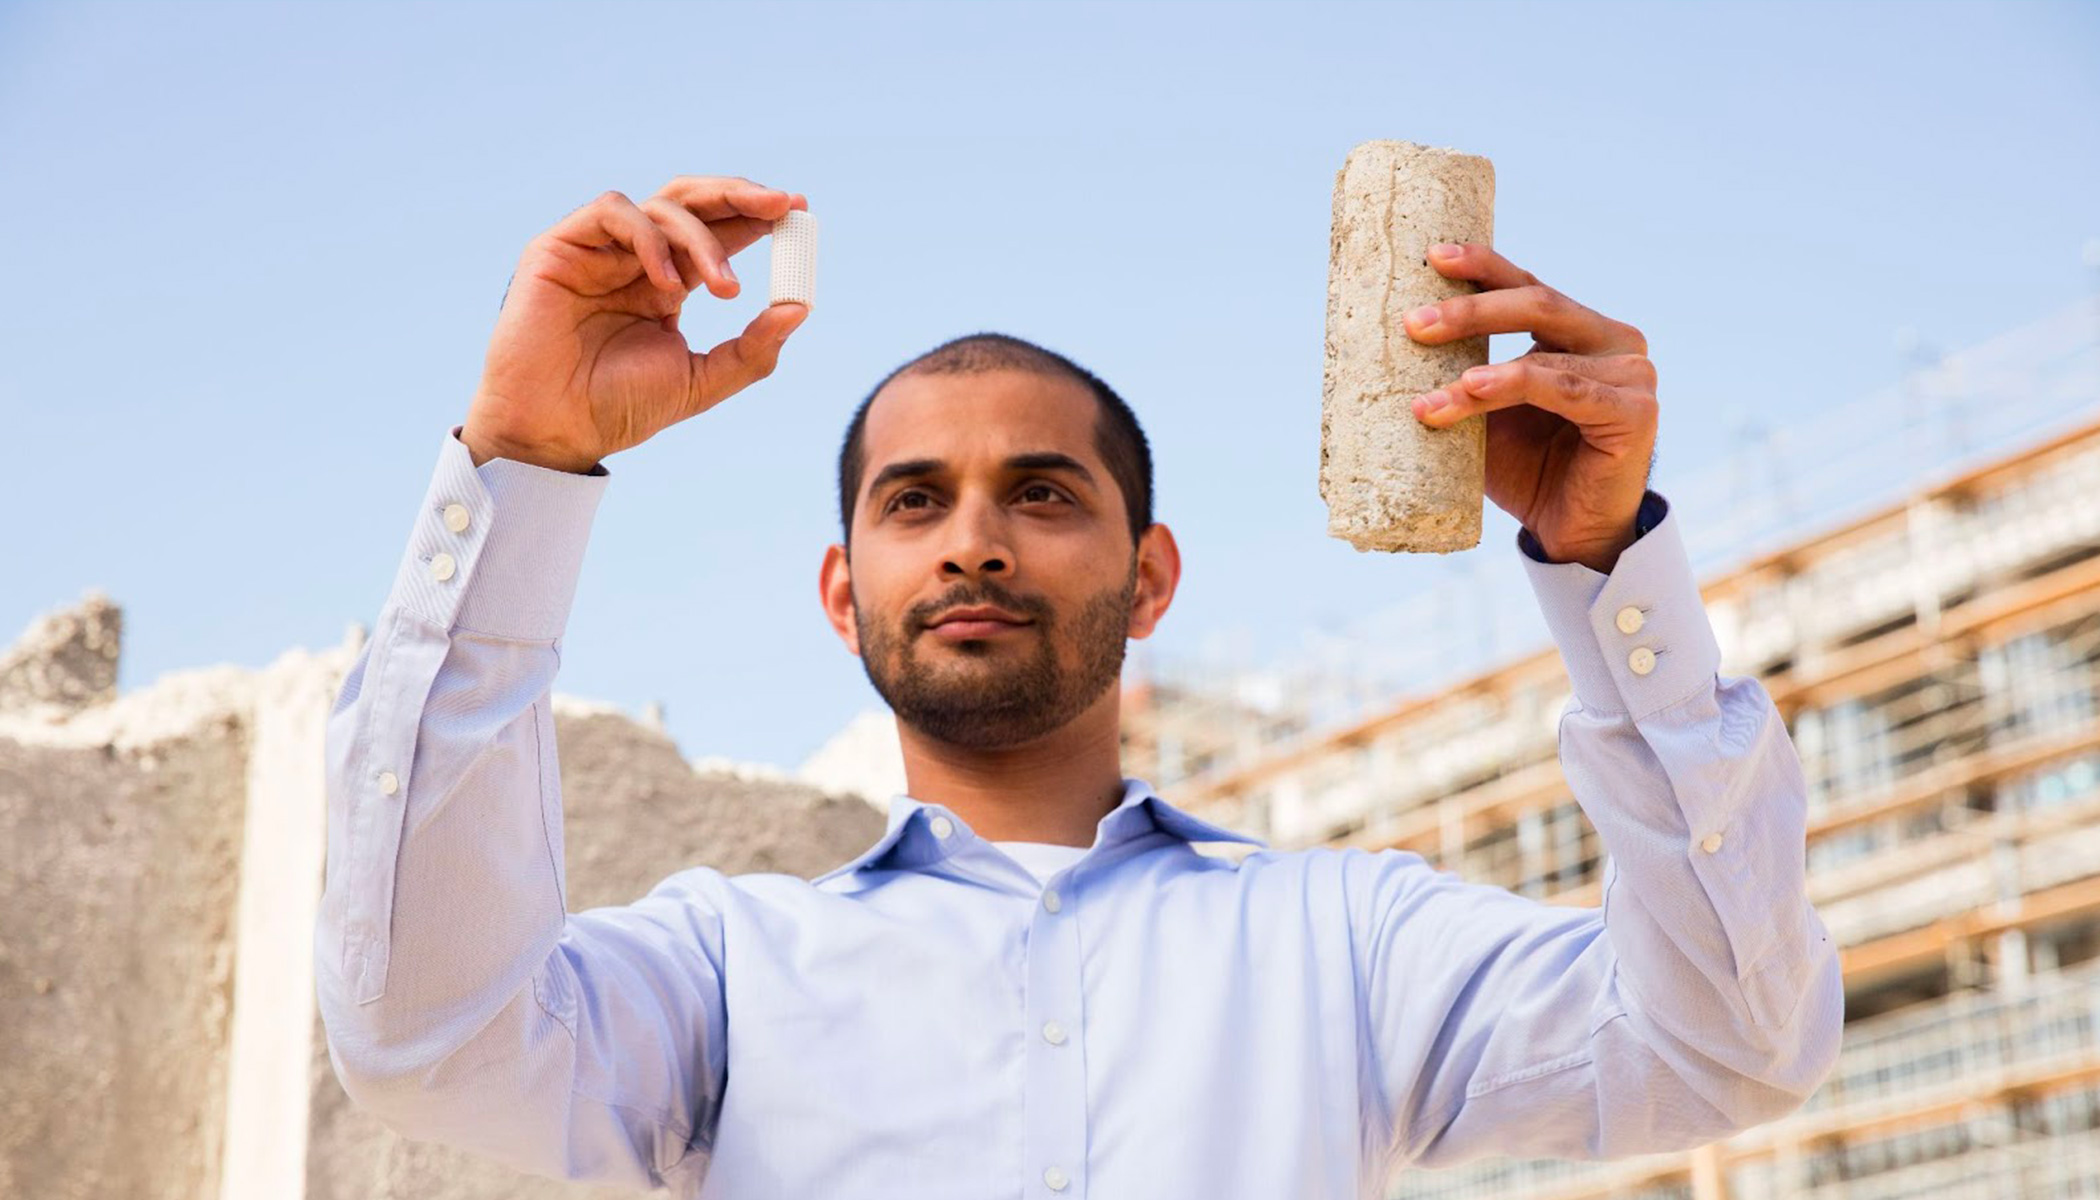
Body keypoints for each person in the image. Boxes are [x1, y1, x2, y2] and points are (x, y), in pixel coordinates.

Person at [314, 173, 1843, 1198]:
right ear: (844, 595)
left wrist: (1607, 567)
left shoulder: (1348, 944)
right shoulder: (724, 970)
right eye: (914, 502)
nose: (973, 540)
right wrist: (520, 464)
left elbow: (1732, 1053)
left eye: (1042, 494)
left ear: (1153, 576)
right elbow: (429, 1046)